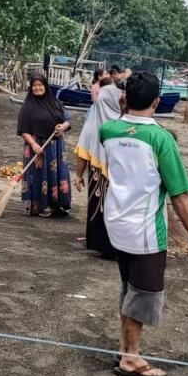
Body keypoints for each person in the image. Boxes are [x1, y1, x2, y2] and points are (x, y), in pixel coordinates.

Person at [101, 72, 188, 376]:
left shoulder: (108, 131)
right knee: (142, 292)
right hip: (145, 229)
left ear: (125, 98)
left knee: (128, 287)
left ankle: (126, 350)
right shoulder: (161, 139)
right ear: (157, 102)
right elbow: (180, 194)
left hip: (116, 222)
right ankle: (131, 358)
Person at [74, 81, 124, 259]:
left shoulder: (94, 121)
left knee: (99, 206)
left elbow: (83, 150)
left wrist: (78, 175)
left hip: (98, 173)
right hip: (121, 176)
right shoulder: (127, 123)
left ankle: (101, 244)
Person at [18, 74, 73, 217]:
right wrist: (34, 145)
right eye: (34, 85)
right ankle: (40, 206)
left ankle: (56, 205)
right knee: (37, 176)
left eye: (40, 85)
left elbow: (67, 118)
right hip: (36, 147)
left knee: (56, 174)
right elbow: (23, 130)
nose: (37, 88)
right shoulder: (28, 106)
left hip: (54, 147)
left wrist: (63, 126)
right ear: (31, 88)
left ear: (45, 86)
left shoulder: (55, 102)